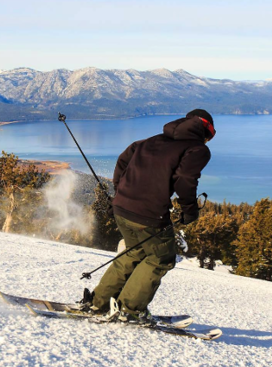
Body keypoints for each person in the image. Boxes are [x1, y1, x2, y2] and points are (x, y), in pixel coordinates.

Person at [81, 109, 215, 323]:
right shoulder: (197, 149)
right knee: (160, 258)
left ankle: (99, 302)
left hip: (122, 208)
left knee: (133, 253)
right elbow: (185, 178)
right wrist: (189, 208)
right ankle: (129, 309)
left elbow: (123, 161)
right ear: (207, 131)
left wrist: (120, 193)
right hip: (149, 214)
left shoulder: (152, 140)